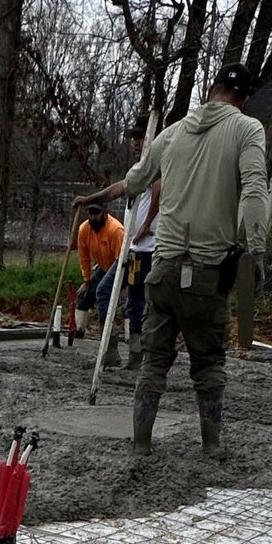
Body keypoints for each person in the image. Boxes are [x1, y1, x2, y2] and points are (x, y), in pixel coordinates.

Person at [82, 62, 267, 456]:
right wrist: (258, 252)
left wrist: (98, 195)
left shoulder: (172, 134)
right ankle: (211, 446)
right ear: (243, 100)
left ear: (212, 89)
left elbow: (134, 181)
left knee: (154, 361)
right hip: (207, 272)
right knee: (209, 364)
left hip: (163, 270)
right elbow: (254, 190)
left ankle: (141, 444)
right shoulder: (247, 130)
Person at [125, 130, 160, 367]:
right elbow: (122, 187)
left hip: (148, 249)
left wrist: (146, 225)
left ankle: (142, 350)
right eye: (134, 140)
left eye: (140, 139)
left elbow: (159, 188)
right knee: (130, 299)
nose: (135, 144)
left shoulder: (155, 169)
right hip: (132, 249)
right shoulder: (138, 171)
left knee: (142, 300)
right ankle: (134, 348)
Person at [75, 201, 125, 360]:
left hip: (121, 267)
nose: (93, 217)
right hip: (104, 268)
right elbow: (84, 257)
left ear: (104, 213)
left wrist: (122, 287)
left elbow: (122, 261)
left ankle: (111, 339)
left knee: (104, 293)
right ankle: (79, 330)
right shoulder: (84, 229)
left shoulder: (115, 230)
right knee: (84, 295)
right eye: (90, 213)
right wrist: (86, 280)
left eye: (96, 213)